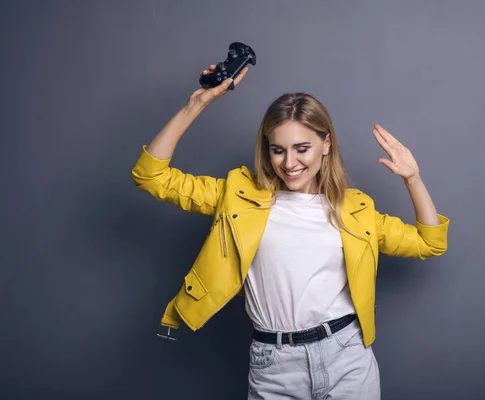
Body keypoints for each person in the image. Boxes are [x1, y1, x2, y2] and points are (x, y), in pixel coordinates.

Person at [131, 64, 450, 399]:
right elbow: (150, 176)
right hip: (275, 364)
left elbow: (430, 243)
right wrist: (195, 104)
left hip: (347, 356)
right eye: (277, 149)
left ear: (326, 145)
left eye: (302, 148)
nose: (289, 163)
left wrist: (412, 178)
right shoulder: (238, 196)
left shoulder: (355, 210)